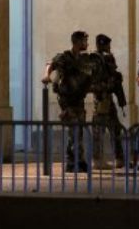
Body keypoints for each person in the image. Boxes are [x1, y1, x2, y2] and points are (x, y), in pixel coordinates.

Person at [42, 30, 92, 173]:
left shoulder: (82, 59)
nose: (86, 43)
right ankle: (74, 161)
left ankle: (76, 160)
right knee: (74, 129)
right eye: (84, 41)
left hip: (78, 99)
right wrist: (46, 76)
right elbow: (50, 64)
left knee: (79, 130)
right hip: (67, 100)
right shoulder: (64, 57)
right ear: (77, 42)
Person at [90, 34, 126, 169]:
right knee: (98, 130)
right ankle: (98, 159)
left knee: (115, 128)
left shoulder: (107, 59)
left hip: (108, 99)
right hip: (100, 99)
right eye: (107, 45)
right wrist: (110, 82)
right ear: (101, 44)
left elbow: (113, 75)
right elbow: (94, 81)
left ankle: (119, 157)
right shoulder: (94, 60)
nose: (109, 48)